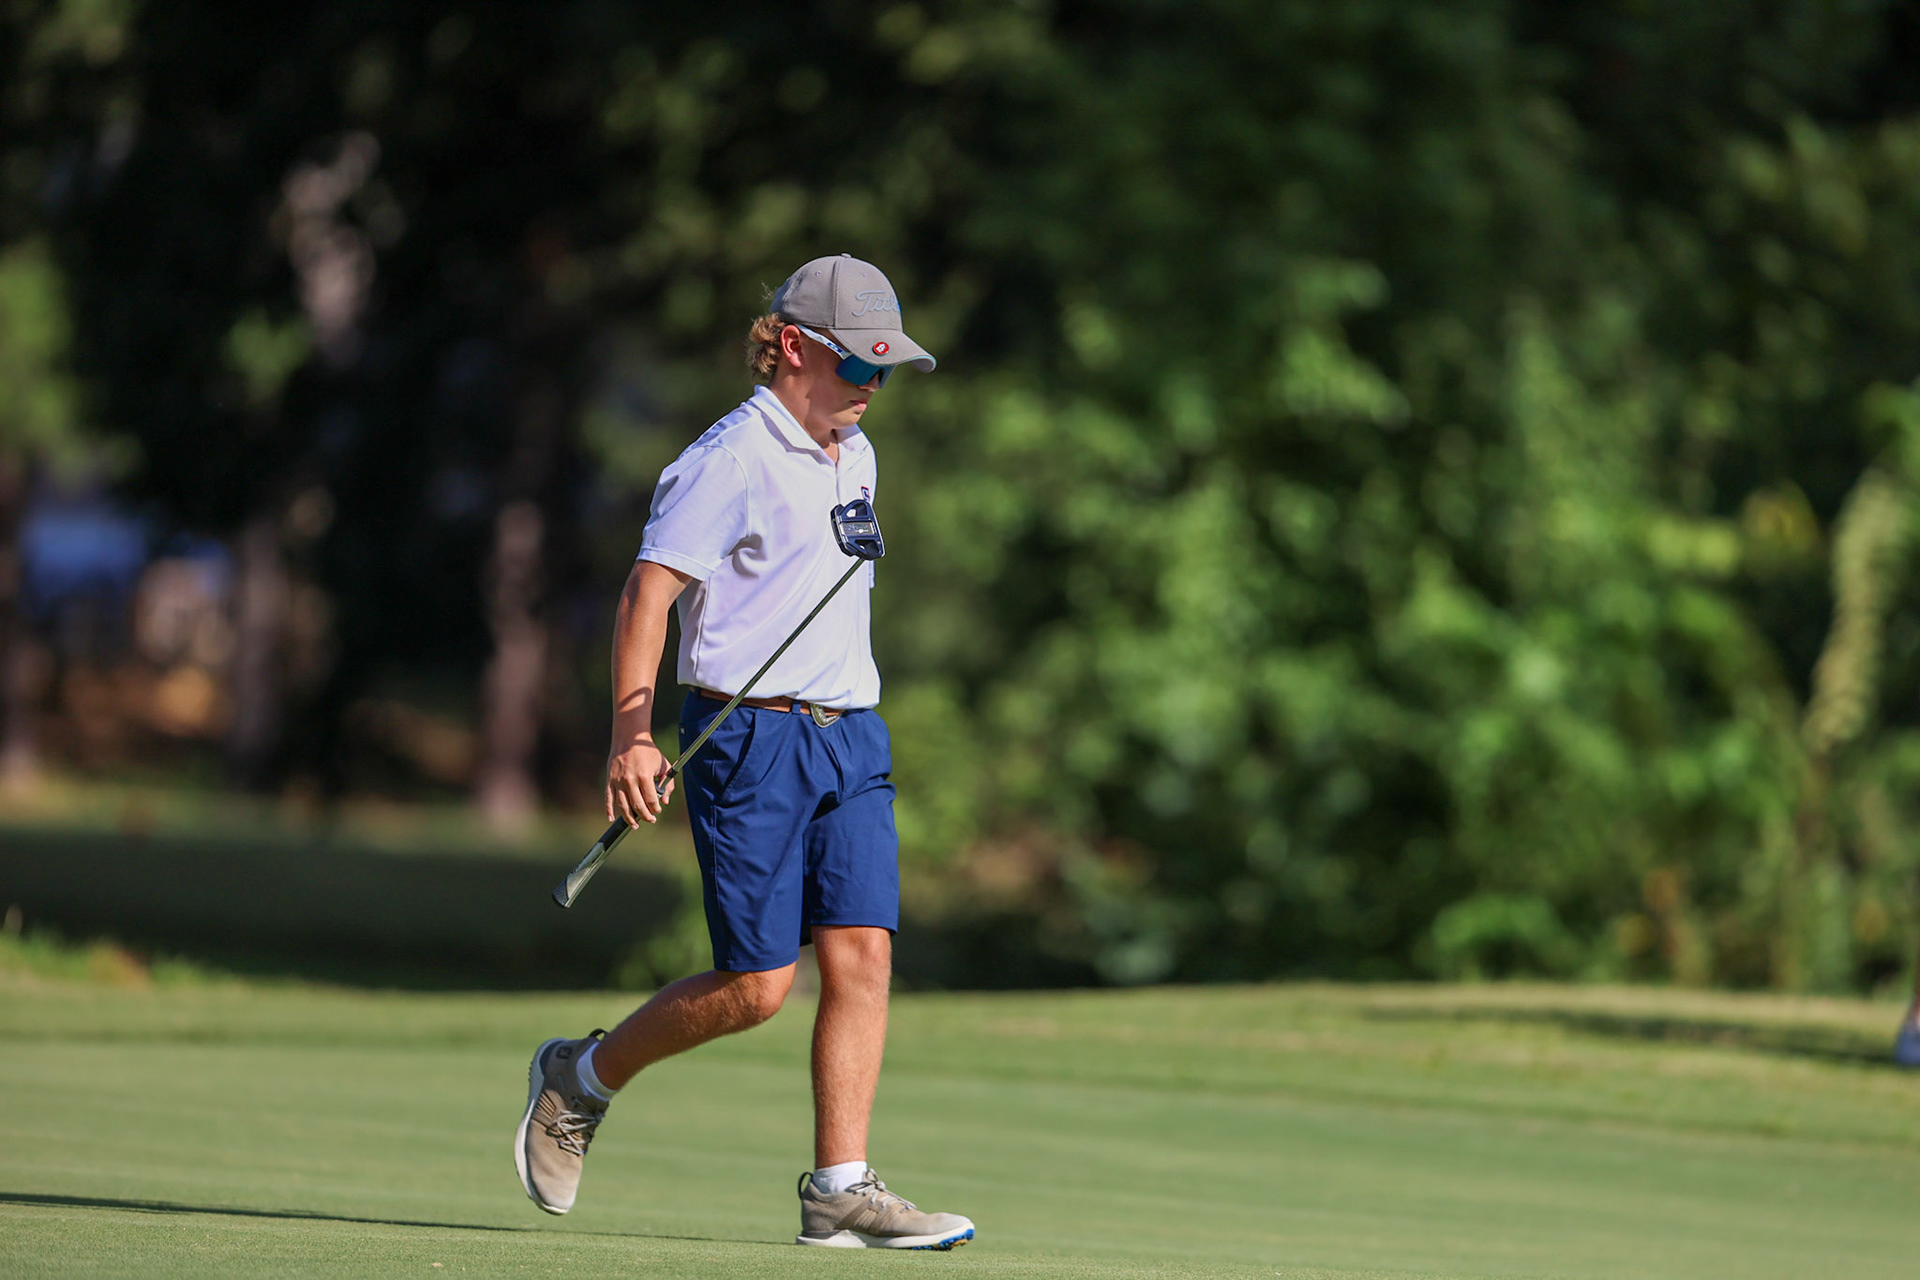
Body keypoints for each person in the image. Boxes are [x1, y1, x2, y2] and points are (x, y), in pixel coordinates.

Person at [514, 255, 975, 1250]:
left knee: (864, 955)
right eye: (862, 368)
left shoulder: (856, 450)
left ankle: (840, 1188)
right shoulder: (726, 457)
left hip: (852, 731)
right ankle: (579, 1077)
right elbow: (649, 595)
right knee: (758, 988)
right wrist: (631, 735)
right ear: (796, 347)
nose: (871, 391)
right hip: (749, 736)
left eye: (887, 373)